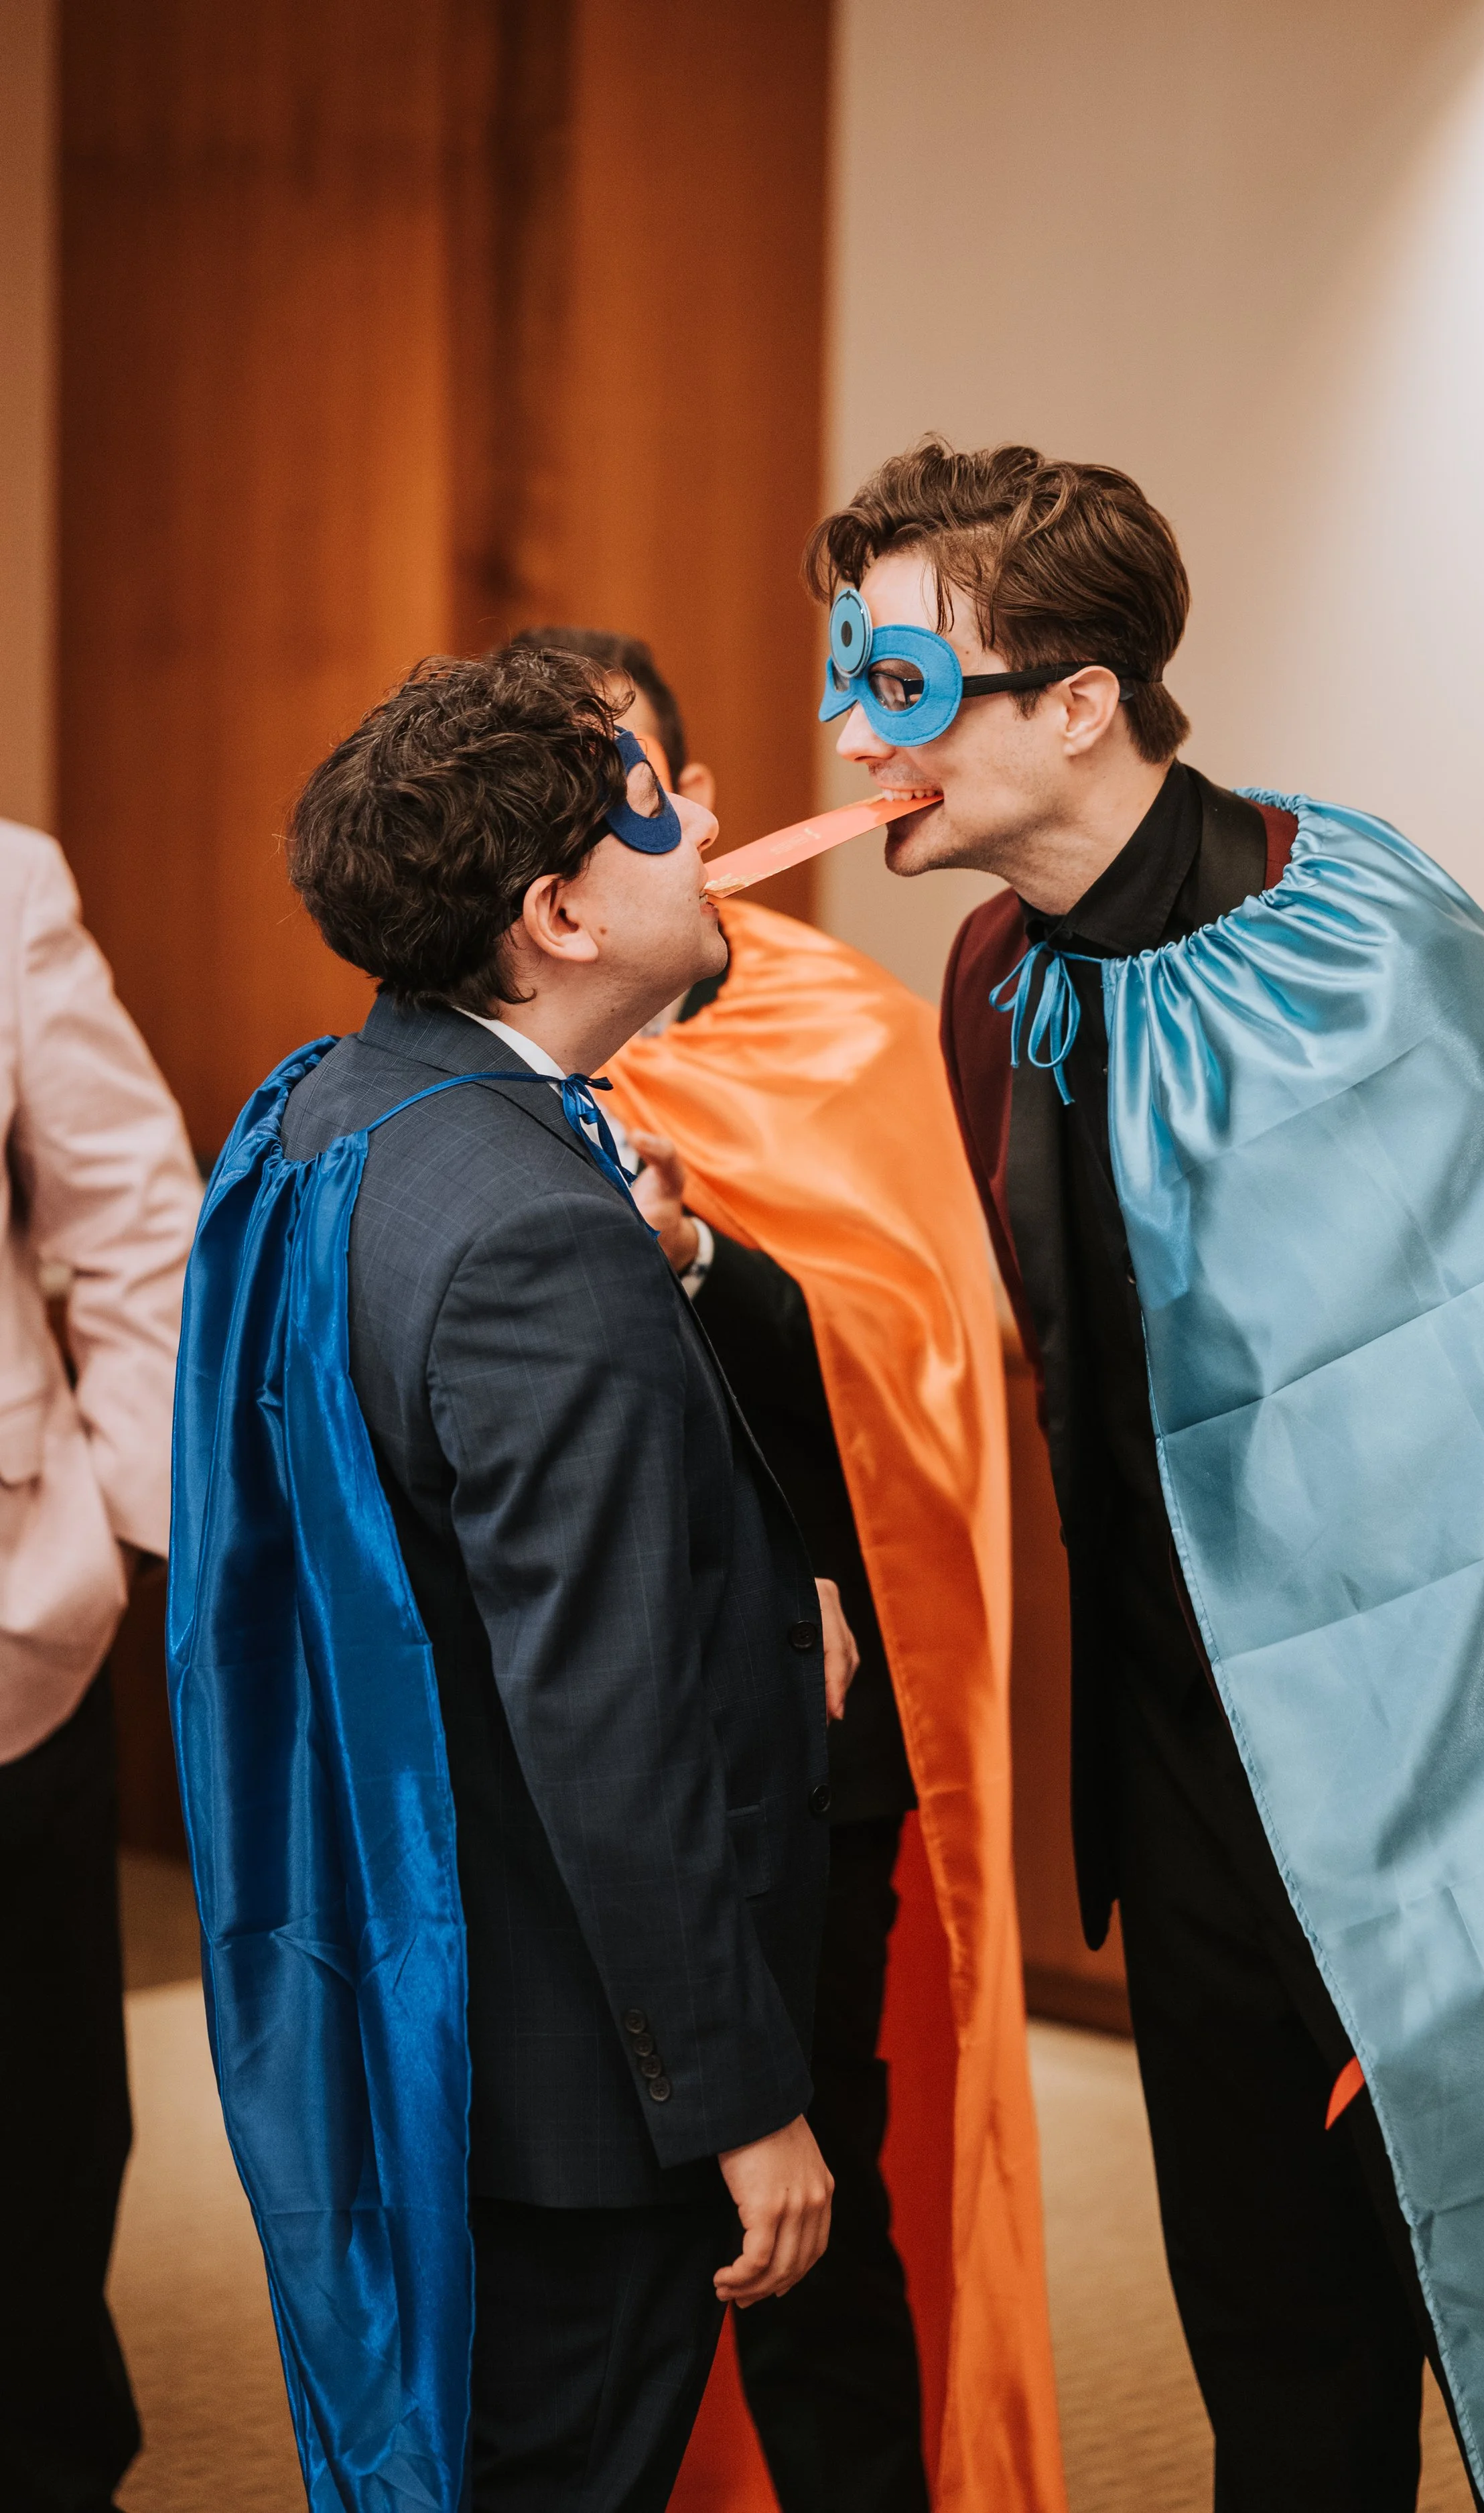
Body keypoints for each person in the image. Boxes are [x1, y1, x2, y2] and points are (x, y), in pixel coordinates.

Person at [805, 438, 1484, 2513]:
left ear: (1076, 702)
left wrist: (1463, 1879)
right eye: (845, 680)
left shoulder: (1362, 935)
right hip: (1186, 1784)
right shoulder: (993, 974)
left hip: (1445, 1807)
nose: (849, 739)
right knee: (1281, 2376)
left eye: (900, 688)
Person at [167, 648, 848, 2513]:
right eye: (653, 806)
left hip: (434, 1987)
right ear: (558, 915)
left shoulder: (335, 1113)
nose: (698, 820)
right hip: (573, 2082)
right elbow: (607, 1717)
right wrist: (741, 2100)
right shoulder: (538, 1231)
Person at [494, 627, 1065, 2513]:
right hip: (565, 1720)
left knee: (821, 2185)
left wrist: (690, 1257)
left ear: (700, 802)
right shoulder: (480, 1062)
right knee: (573, 2210)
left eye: (628, 781)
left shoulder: (841, 1029)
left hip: (807, 1727)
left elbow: (910, 1371)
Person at [0, 820, 201, 2513]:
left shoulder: (7, 887)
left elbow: (139, 1221)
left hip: (10, 1632)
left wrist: (126, 1532)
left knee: (36, 2128)